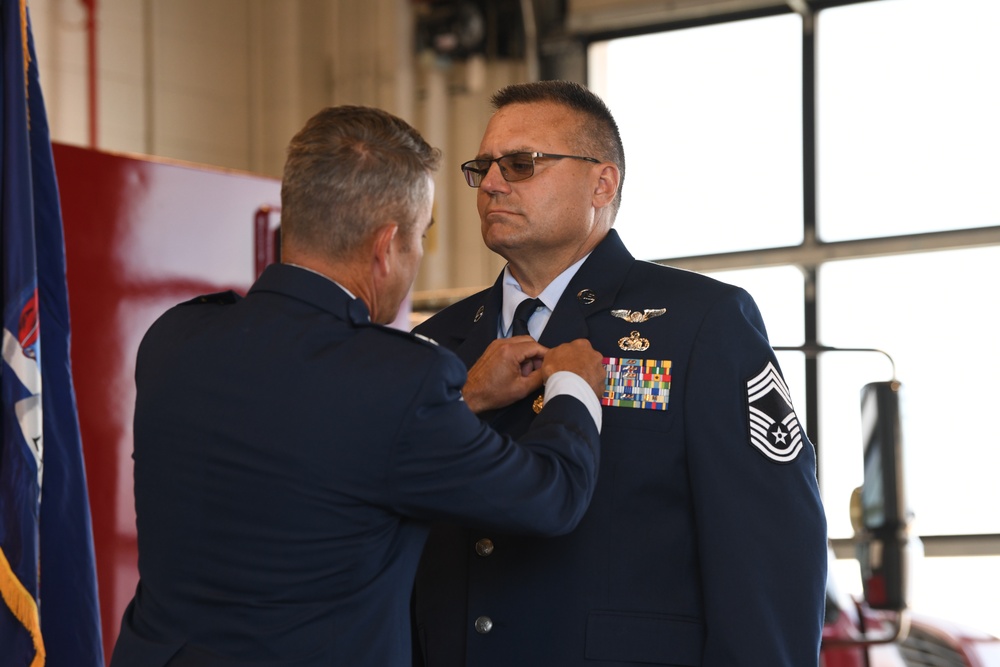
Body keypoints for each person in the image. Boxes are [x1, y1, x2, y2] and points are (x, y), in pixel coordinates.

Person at [109, 105, 608, 667]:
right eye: (420, 237)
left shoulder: (175, 339)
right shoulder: (400, 379)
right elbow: (550, 497)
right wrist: (573, 383)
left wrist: (464, 398)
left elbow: (311, 439)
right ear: (386, 246)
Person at [411, 81, 829, 666]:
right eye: (483, 168)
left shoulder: (701, 325)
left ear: (601, 183)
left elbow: (770, 555)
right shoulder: (435, 343)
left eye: (522, 164)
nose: (494, 184)